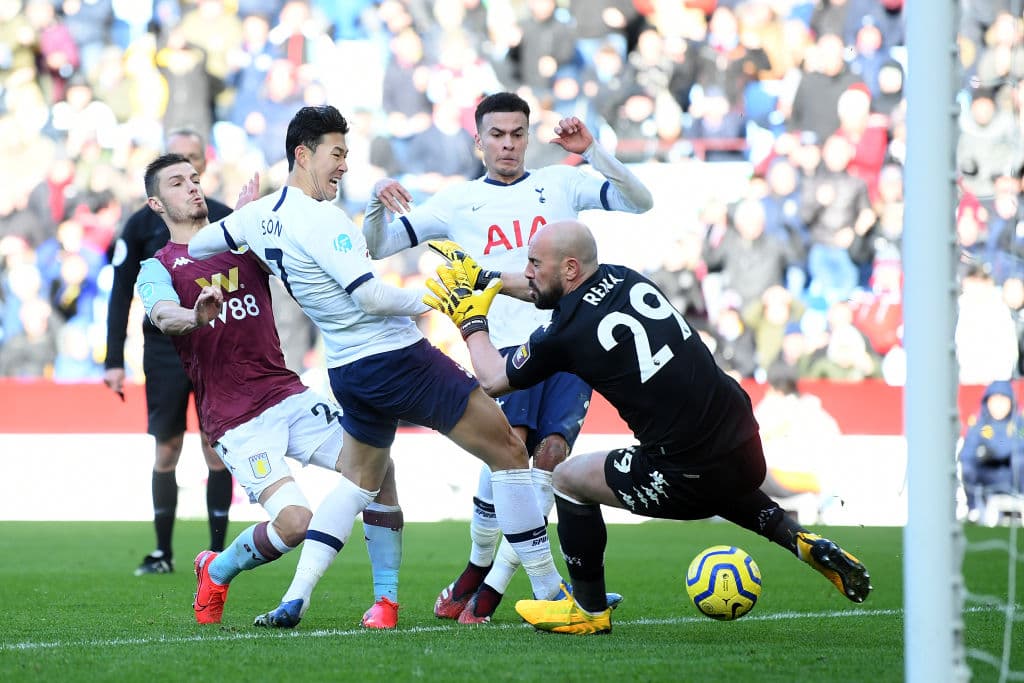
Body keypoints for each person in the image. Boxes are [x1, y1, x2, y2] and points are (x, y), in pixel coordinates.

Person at [187, 104, 567, 629]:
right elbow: (369, 296)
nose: (344, 165)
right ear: (303, 155)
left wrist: (243, 218)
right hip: (395, 359)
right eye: (336, 154)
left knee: (361, 482)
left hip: (348, 372)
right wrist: (441, 298)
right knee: (508, 451)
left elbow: (200, 243)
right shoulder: (322, 218)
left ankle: (298, 597)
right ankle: (550, 593)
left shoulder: (259, 216)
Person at [422, 220, 872, 635]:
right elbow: (546, 288)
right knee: (714, 473)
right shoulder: (624, 276)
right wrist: (486, 279)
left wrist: (471, 320)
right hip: (743, 444)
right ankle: (800, 540)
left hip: (688, 467)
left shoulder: (566, 335)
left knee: (568, 480)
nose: (527, 272)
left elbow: (492, 378)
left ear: (571, 268)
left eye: (534, 263)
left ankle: (588, 611)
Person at [359, 90, 653, 623]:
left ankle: (490, 589)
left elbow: (640, 201)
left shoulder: (561, 182)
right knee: (510, 456)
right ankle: (479, 569)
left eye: (518, 134)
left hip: (570, 345)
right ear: (478, 140)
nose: (509, 144)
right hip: (507, 352)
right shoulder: (457, 201)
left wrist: (593, 150)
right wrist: (376, 202)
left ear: (528, 137)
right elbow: (378, 246)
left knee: (551, 459)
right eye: (497, 134)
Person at [135, 154, 404, 629]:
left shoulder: (242, 241)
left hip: (286, 393)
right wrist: (194, 316)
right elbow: (162, 314)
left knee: (378, 468)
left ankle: (386, 602)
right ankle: (217, 570)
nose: (192, 187)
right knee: (296, 523)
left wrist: (253, 220)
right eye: (177, 183)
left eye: (195, 178)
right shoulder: (158, 267)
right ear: (156, 204)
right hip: (235, 419)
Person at [104, 128, 234, 576]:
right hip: (164, 348)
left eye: (193, 164)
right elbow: (121, 292)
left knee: (216, 446)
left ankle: (217, 554)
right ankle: (163, 552)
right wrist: (113, 360)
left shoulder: (224, 219)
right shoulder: (140, 226)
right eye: (177, 168)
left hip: (214, 344)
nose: (188, 174)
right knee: (168, 447)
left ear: (204, 166)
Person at [958, 379, 1024, 523]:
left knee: (1020, 461)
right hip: (986, 477)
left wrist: (998, 452)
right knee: (968, 468)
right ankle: (974, 510)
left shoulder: (1019, 425)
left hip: (1013, 477)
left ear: (1011, 401)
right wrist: (980, 455)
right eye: (994, 400)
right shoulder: (981, 426)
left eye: (1003, 400)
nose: (998, 406)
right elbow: (967, 453)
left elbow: (1019, 444)